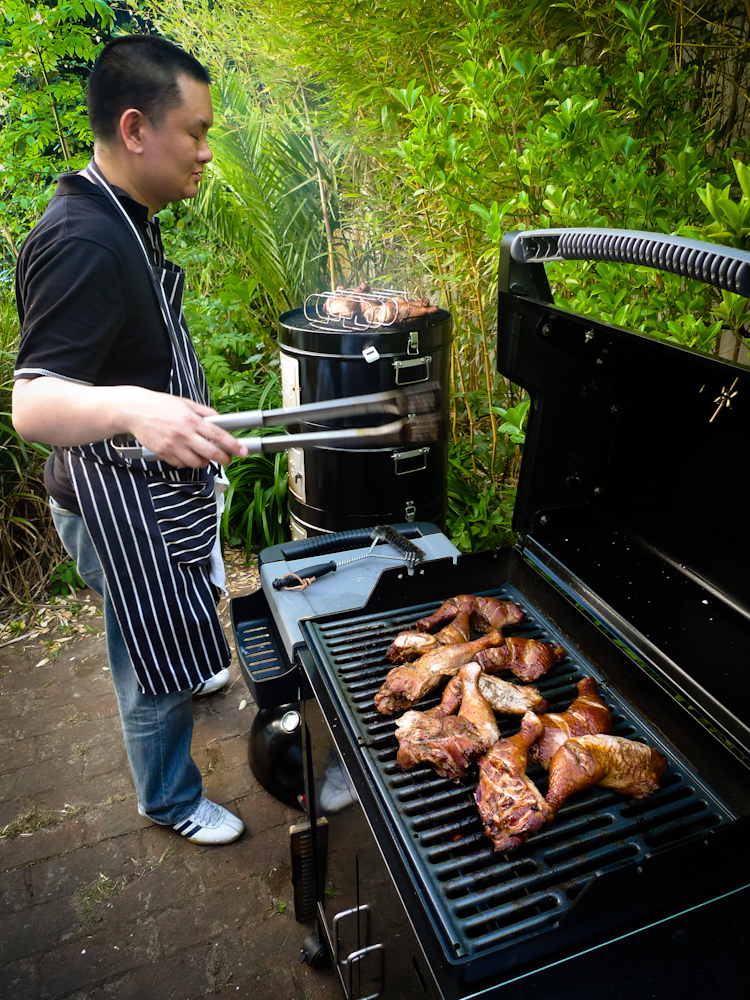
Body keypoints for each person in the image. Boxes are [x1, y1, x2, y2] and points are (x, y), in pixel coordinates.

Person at [12, 35, 249, 845]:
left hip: (143, 484)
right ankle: (169, 799)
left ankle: (190, 668)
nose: (206, 151)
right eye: (197, 132)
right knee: (145, 650)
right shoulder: (82, 240)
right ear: (136, 129)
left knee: (175, 623)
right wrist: (140, 412)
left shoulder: (124, 214)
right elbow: (33, 404)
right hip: (110, 501)